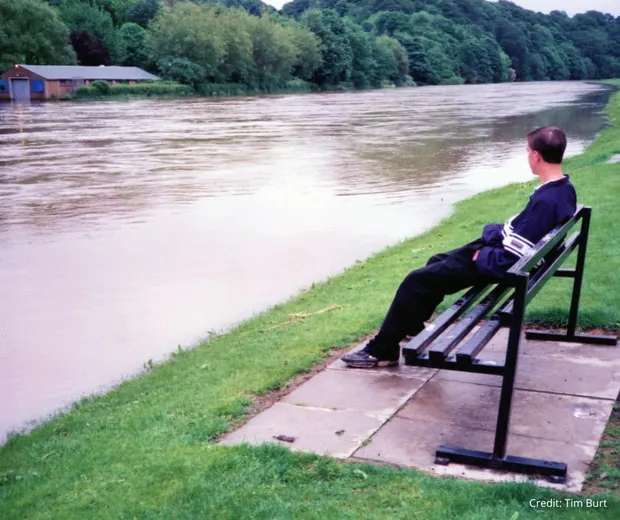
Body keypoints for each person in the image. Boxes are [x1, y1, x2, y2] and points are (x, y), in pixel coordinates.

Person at [342, 126, 577, 368]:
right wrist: (494, 234)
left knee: (415, 281)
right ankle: (411, 326)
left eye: (527, 151)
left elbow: (511, 258)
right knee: (435, 262)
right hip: (505, 254)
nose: (527, 156)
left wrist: (480, 254)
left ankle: (382, 350)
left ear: (536, 156)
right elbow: (522, 236)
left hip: (497, 263)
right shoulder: (562, 189)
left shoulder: (546, 201)